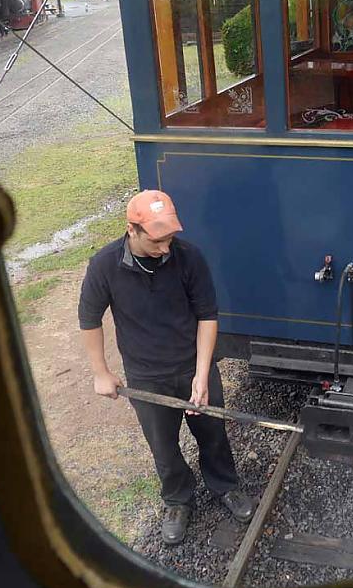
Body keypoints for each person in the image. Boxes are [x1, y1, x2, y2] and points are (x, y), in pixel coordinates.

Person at [78, 189, 254, 546]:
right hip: (145, 375)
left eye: (169, 238)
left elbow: (207, 316)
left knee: (213, 432)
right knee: (163, 445)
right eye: (157, 241)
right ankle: (177, 500)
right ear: (132, 230)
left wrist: (201, 375)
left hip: (193, 365)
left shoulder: (189, 258)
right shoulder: (104, 265)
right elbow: (89, 318)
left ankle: (225, 485)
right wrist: (101, 372)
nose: (165, 248)